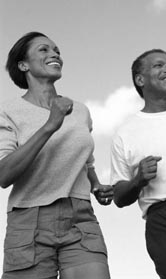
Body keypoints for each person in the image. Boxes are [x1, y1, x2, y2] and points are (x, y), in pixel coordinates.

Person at [0, 31, 113, 279]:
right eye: (44, 50)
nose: (54, 54)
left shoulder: (80, 111)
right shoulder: (8, 111)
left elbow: (86, 160)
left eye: (57, 51)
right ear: (23, 64)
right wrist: (50, 125)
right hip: (30, 219)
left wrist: (96, 184)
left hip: (80, 216)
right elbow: (4, 174)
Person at [110, 49, 166, 279]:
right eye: (159, 65)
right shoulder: (126, 133)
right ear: (140, 80)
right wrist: (139, 180)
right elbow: (119, 197)